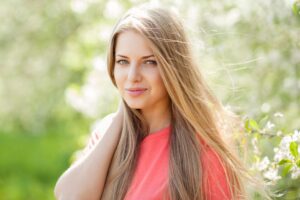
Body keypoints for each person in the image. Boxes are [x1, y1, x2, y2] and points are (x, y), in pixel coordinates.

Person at [54, 4, 251, 200]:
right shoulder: (108, 133)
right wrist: (121, 115)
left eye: (149, 62)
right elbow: (69, 196)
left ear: (173, 67)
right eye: (123, 61)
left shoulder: (204, 151)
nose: (132, 76)